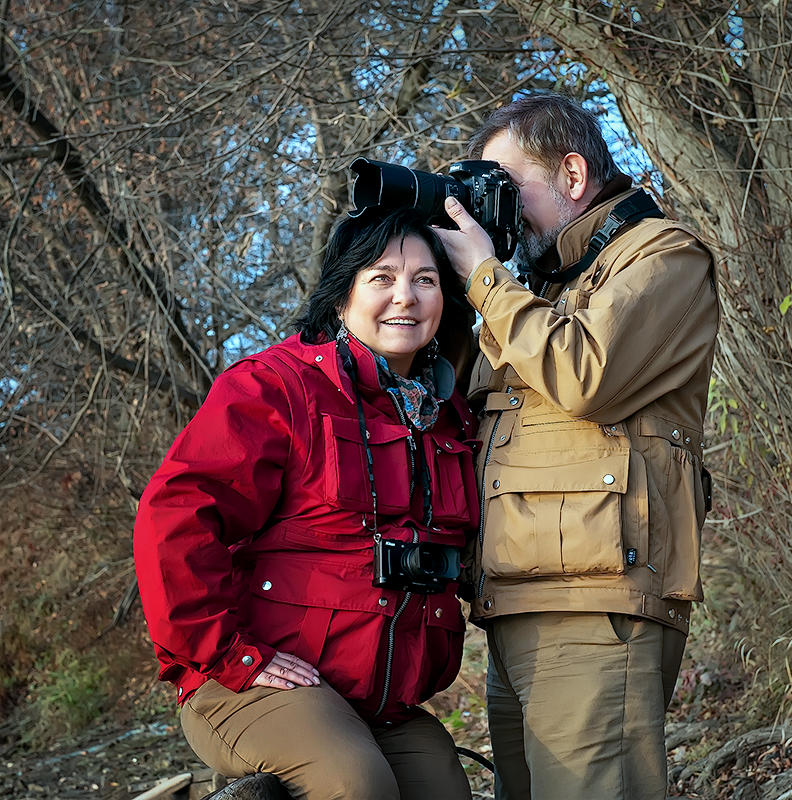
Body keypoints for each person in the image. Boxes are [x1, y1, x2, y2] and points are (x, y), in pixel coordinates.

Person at [133, 208, 480, 800]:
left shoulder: (449, 414)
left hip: (376, 698)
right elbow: (174, 517)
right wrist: (229, 653)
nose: (407, 297)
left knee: (443, 787)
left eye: (426, 280)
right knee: (353, 784)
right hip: (250, 678)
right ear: (341, 296)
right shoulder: (277, 386)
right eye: (381, 278)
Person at [433, 92, 719, 800]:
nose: (496, 207)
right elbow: (454, 408)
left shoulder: (662, 255)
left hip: (598, 607)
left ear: (571, 175)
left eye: (506, 186)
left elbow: (585, 373)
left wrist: (483, 279)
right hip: (517, 602)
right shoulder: (533, 292)